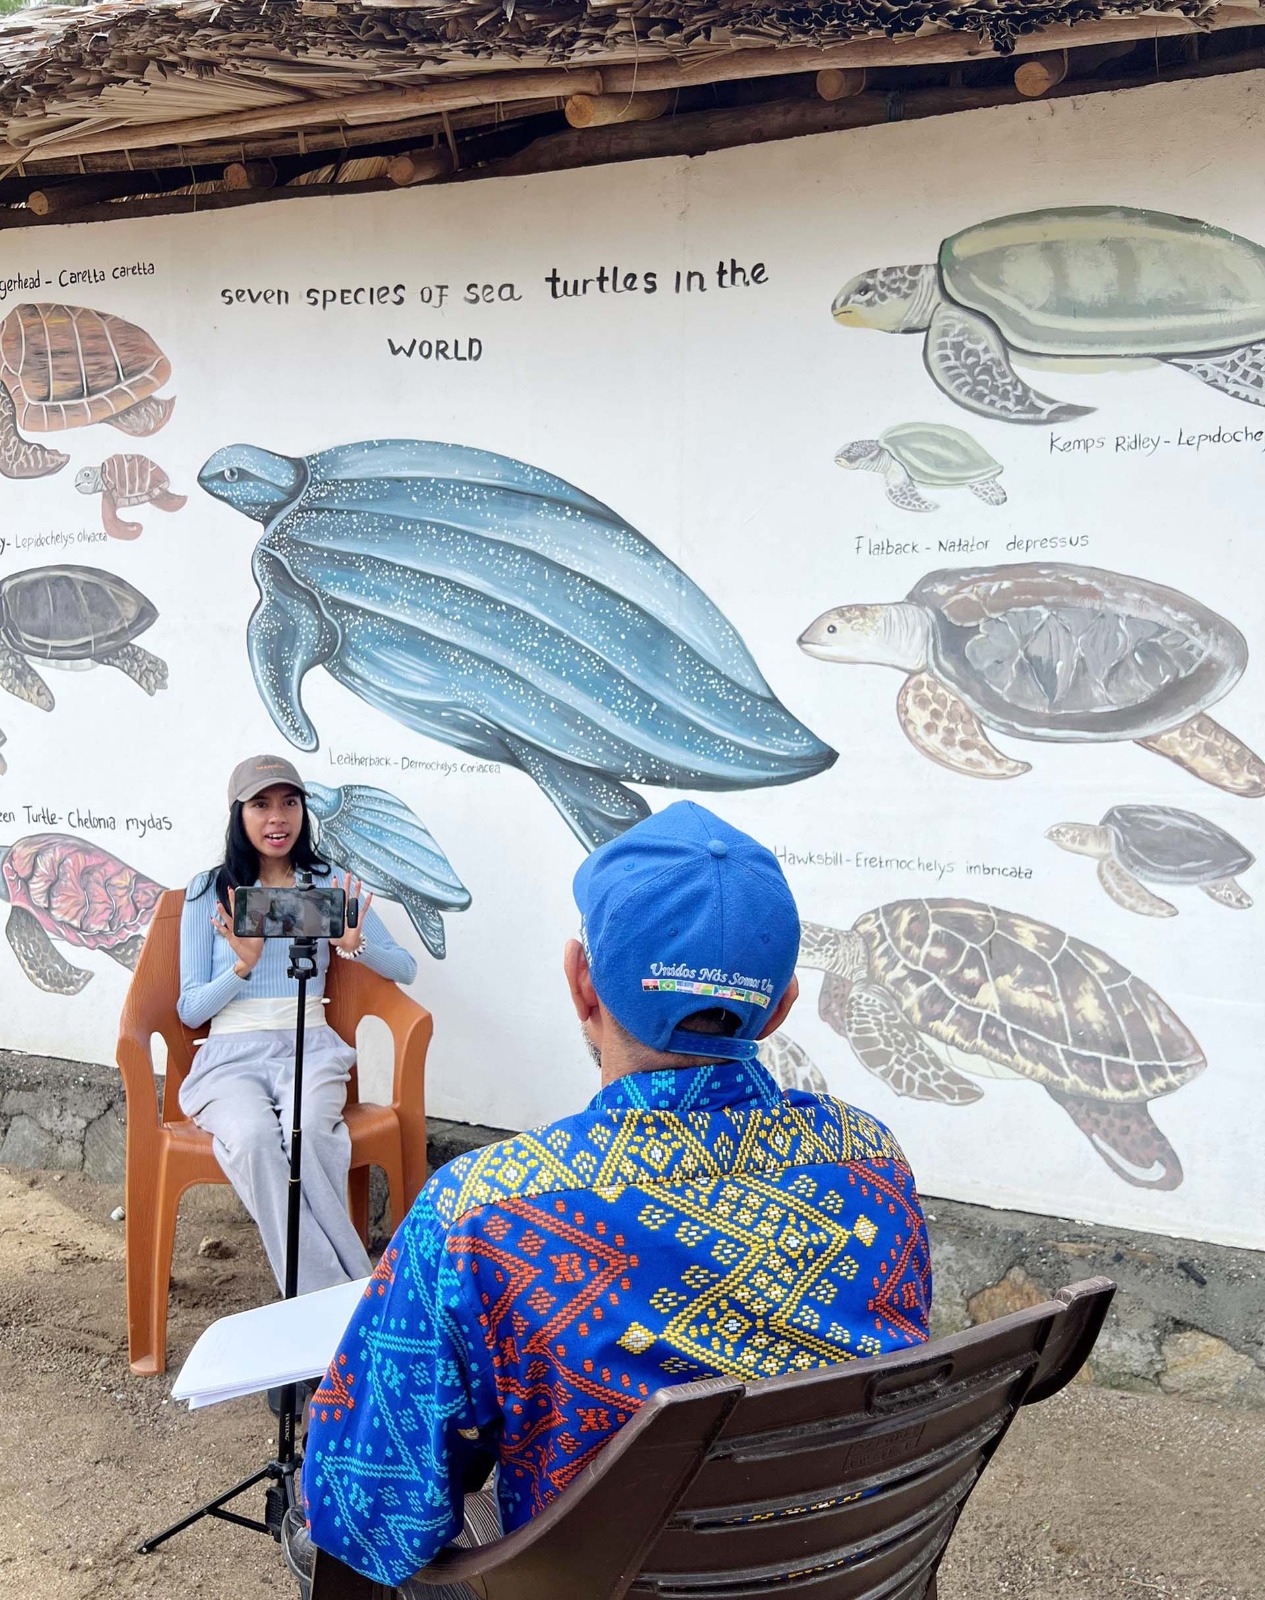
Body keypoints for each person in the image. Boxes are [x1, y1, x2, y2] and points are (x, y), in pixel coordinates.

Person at [299, 800, 931, 1590]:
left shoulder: (482, 1214)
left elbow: (369, 1514)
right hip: (841, 1569)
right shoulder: (871, 1163)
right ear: (779, 1007)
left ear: (581, 983)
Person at [178, 754, 419, 1297]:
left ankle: (325, 1307)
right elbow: (190, 1010)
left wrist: (355, 946)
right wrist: (242, 966)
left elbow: (405, 968)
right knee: (255, 1140)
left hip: (311, 1047)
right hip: (229, 1058)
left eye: (289, 802)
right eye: (261, 804)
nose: (277, 817)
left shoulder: (329, 881)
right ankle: (346, 1298)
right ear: (238, 814)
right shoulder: (208, 891)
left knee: (308, 1135)